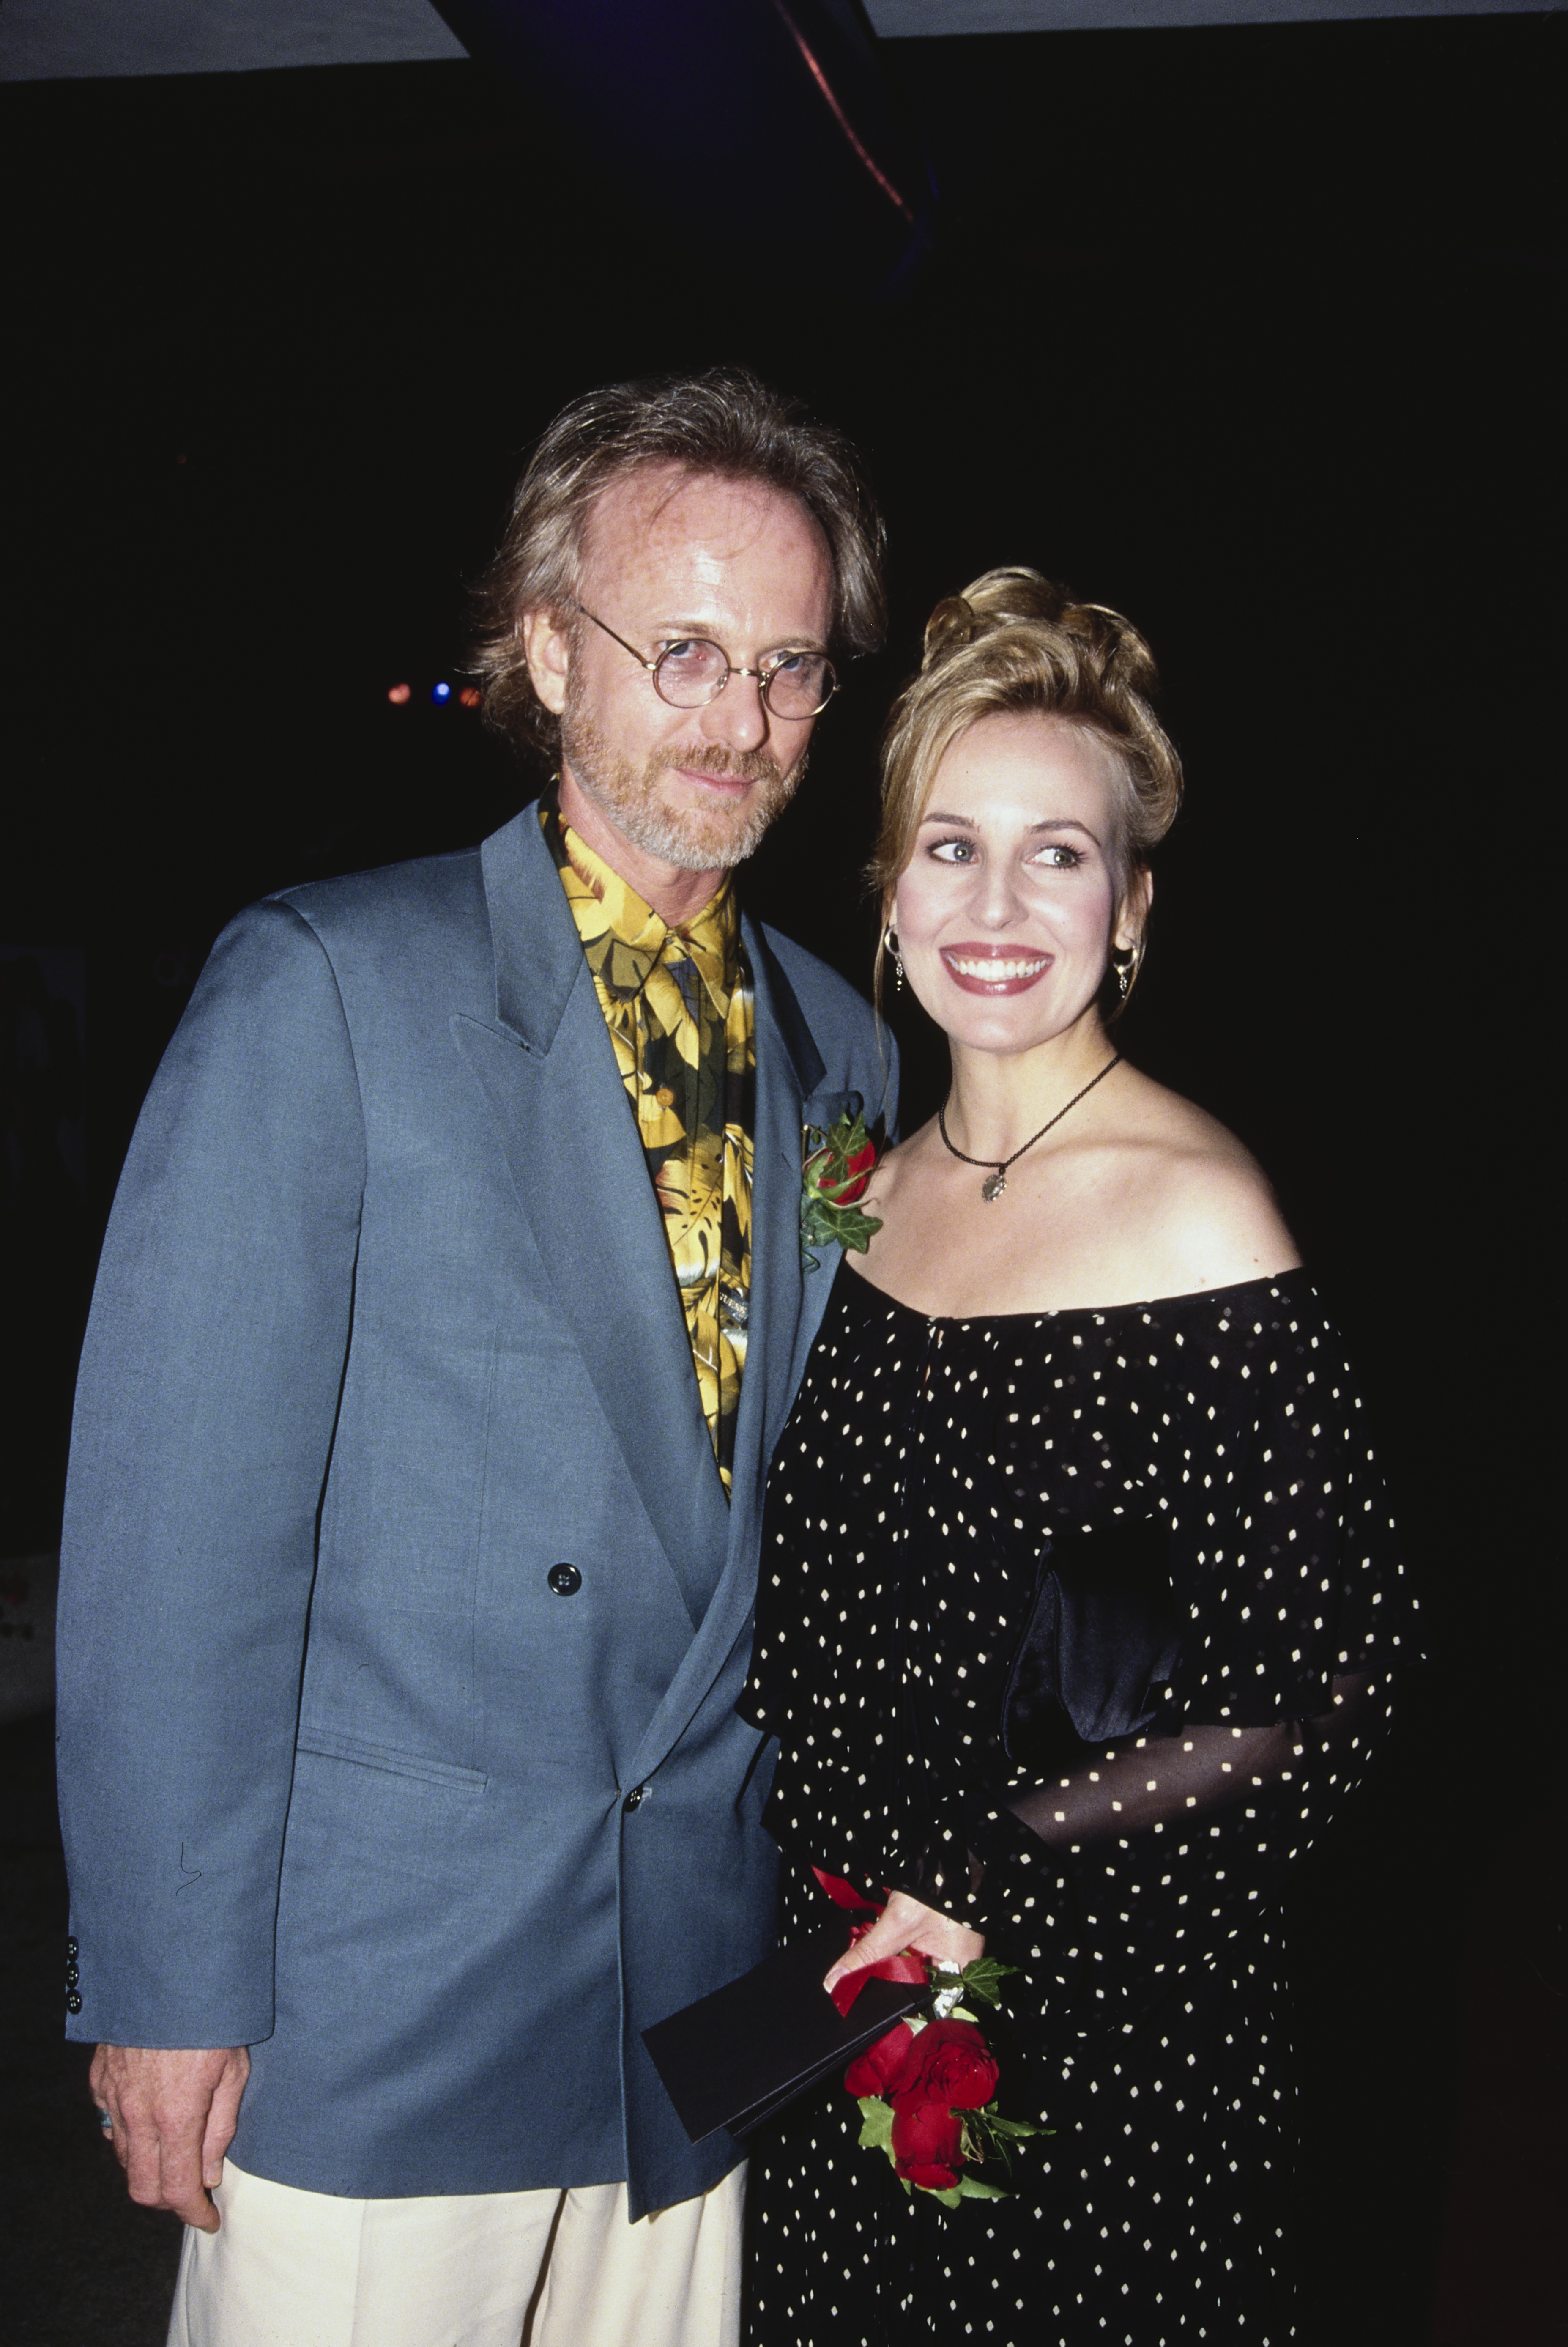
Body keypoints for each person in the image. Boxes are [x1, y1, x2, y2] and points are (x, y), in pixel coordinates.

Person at [55, 368, 893, 2347]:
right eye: (682, 648)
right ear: (544, 645)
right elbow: (179, 1539)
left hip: (689, 2000)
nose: (740, 716)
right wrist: (168, 1989)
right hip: (378, 1996)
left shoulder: (845, 1045)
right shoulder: (331, 984)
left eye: (788, 665)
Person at [739, 570, 1422, 2344]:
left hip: (1095, 2037)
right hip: (831, 2007)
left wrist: (980, 1879)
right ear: (887, 894)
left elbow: (1333, 1678)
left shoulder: (1193, 1206)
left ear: (1129, 908)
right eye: (951, 845)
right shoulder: (865, 1197)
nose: (995, 901)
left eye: (1058, 853)